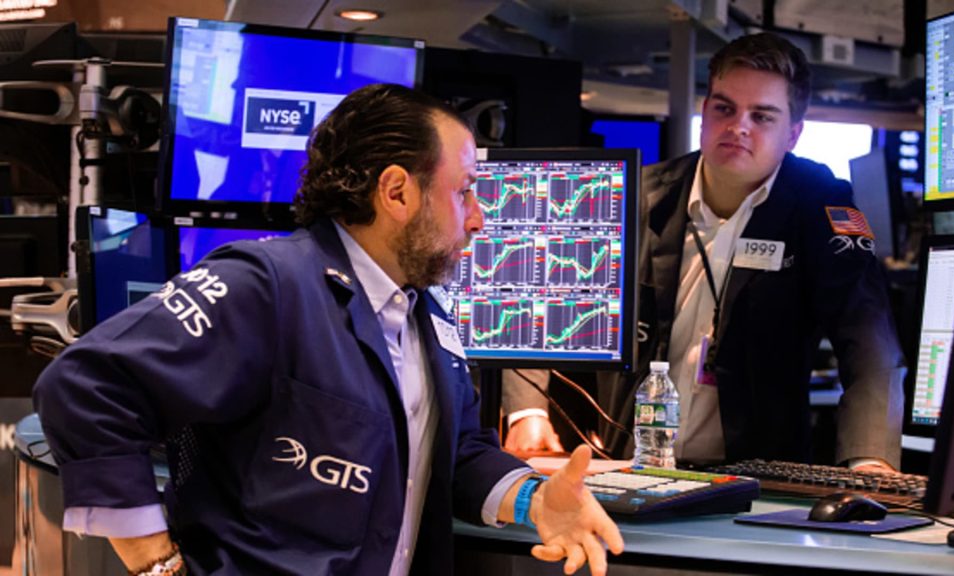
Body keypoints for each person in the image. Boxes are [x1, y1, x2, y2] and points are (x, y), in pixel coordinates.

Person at [34, 84, 623, 576]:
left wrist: (535, 498)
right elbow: (85, 386)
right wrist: (158, 567)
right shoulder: (268, 284)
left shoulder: (427, 315)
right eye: (464, 190)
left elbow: (459, 454)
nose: (478, 218)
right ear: (397, 192)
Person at [504, 33, 905, 472]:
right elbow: (540, 297)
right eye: (724, 108)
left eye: (762, 116)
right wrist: (527, 413)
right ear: (704, 113)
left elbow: (870, 343)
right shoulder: (639, 195)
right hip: (626, 465)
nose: (739, 126)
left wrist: (870, 461)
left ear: (793, 134)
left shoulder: (820, 205)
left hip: (756, 477)